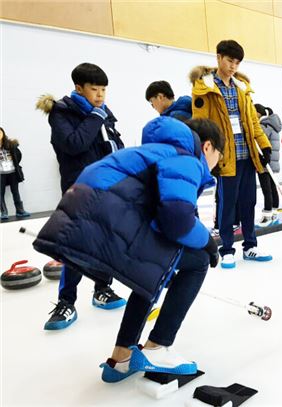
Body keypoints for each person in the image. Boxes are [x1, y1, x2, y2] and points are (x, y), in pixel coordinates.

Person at [32, 116, 223, 382]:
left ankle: (120, 357)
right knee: (198, 261)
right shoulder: (187, 159)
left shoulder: (156, 151)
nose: (216, 165)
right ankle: (159, 346)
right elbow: (177, 220)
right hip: (101, 219)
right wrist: (208, 243)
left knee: (154, 269)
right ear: (208, 147)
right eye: (219, 157)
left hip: (82, 219)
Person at [36, 62, 126, 330]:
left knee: (105, 242)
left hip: (109, 188)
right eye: (94, 89)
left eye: (103, 90)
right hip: (80, 188)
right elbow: (73, 144)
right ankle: (66, 302)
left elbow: (116, 145)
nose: (100, 95)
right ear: (79, 87)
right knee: (74, 246)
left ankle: (102, 289)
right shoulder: (62, 112)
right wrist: (96, 117)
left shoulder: (103, 113)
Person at [189, 39, 273, 269]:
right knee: (227, 204)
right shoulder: (205, 88)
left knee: (249, 202)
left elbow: (253, 121)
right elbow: (200, 124)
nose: (233, 66)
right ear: (218, 58)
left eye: (237, 62)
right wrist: (205, 154)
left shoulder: (242, 87)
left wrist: (263, 145)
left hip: (247, 155)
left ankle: (250, 246)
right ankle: (226, 248)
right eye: (229, 60)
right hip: (225, 157)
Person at [254, 103, 281, 227]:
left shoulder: (263, 125)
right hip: (273, 161)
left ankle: (268, 214)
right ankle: (274, 211)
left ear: (259, 113)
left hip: (265, 161)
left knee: (267, 189)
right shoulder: (273, 125)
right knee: (272, 187)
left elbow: (260, 142)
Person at [0, 127, 30, 219]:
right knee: (1, 193)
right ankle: (4, 212)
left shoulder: (10, 144)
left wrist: (15, 164)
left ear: (3, 133)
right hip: (1, 173)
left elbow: (18, 155)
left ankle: (20, 210)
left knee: (15, 192)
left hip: (12, 172)